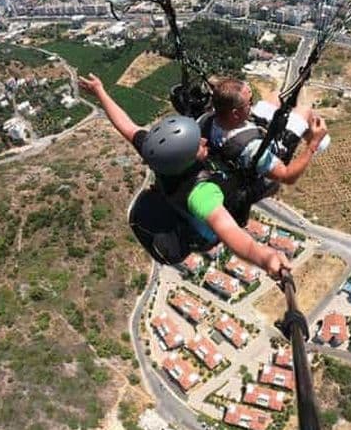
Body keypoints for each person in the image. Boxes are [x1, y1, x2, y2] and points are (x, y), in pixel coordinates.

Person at [78, 73, 291, 277]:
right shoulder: (201, 193)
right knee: (267, 183)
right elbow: (232, 234)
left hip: (175, 204)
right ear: (185, 159)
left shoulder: (157, 152)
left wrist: (100, 92)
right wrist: (265, 257)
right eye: (197, 146)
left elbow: (126, 126)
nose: (204, 141)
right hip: (204, 233)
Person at [200, 77, 329, 186]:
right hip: (268, 153)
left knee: (276, 96)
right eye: (249, 103)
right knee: (304, 111)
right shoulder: (252, 149)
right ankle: (320, 140)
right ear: (236, 113)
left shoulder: (205, 120)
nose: (251, 104)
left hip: (243, 130)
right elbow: (287, 177)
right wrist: (313, 144)